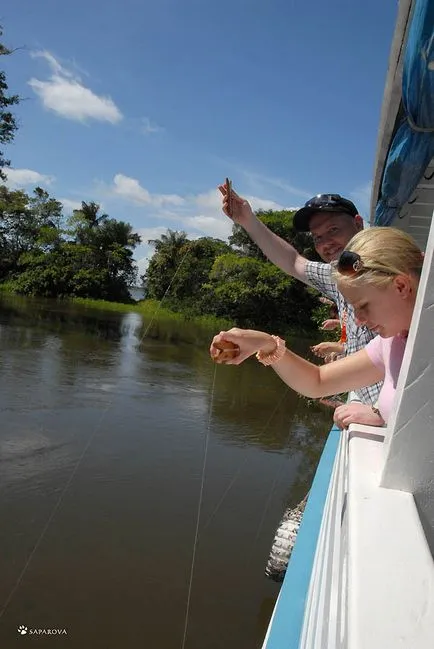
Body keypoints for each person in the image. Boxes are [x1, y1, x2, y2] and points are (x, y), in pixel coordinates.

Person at [210, 227, 423, 429]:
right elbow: (318, 381)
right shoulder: (391, 342)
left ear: (401, 286)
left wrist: (381, 413)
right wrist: (265, 343)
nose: (358, 320)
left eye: (363, 306)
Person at [218, 185, 382, 420]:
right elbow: (293, 261)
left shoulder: (388, 274)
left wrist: (384, 411)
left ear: (358, 223)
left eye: (333, 229)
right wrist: (247, 219)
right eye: (317, 237)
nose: (326, 243)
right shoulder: (339, 276)